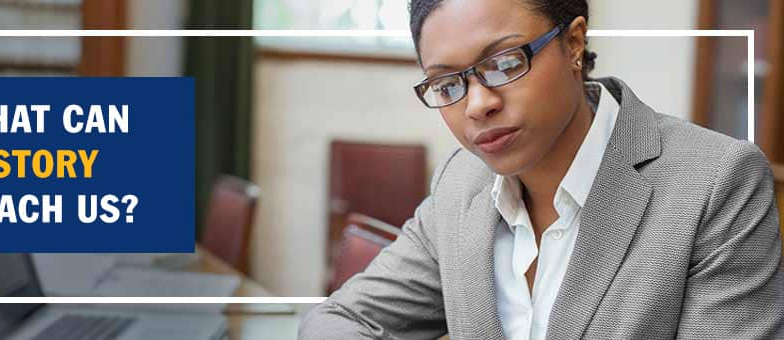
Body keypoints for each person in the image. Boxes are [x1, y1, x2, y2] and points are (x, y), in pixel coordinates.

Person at [298, 0, 784, 339]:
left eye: (505, 63)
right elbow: (340, 320)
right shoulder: (460, 184)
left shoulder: (717, 182)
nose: (477, 105)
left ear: (574, 43)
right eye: (446, 84)